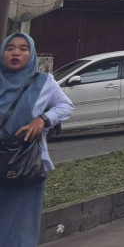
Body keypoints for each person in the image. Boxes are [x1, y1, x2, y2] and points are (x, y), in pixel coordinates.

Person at [0, 32, 74, 246]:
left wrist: (43, 119)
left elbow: (66, 106)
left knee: (20, 221)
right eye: (10, 48)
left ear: (31, 54)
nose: (16, 52)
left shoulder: (44, 82)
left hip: (25, 164)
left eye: (23, 49)